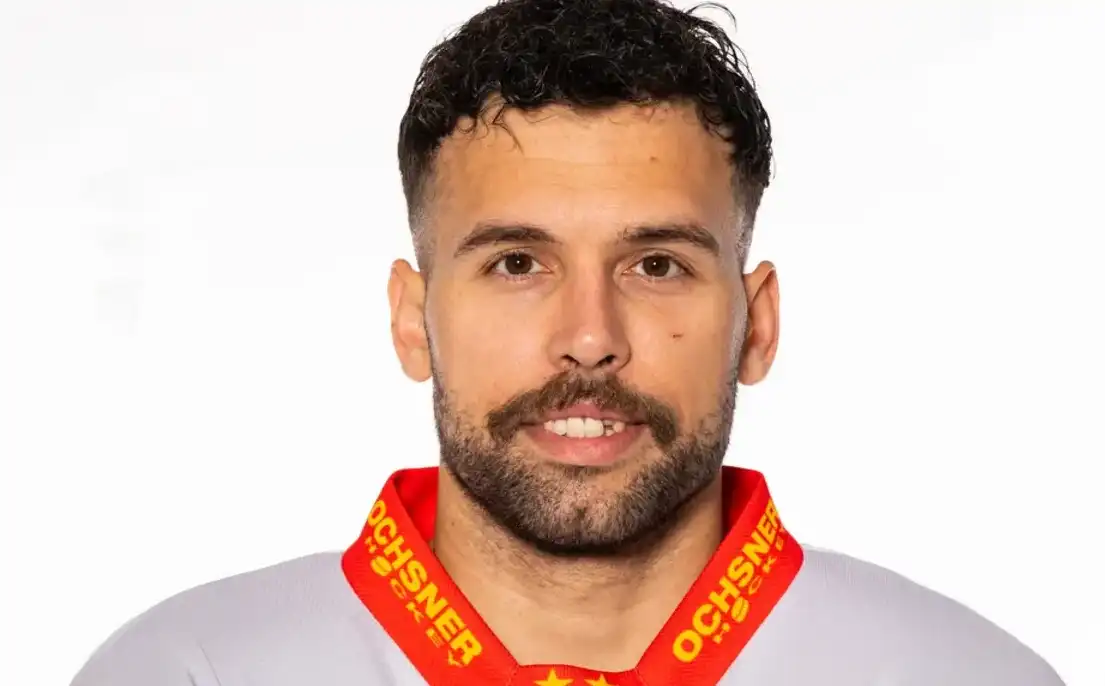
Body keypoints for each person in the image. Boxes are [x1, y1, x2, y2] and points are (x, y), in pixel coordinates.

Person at [70, 1, 1064, 684]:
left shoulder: (967, 676)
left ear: (755, 323)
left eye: (656, 264)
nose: (588, 338)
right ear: (412, 319)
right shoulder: (188, 673)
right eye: (517, 263)